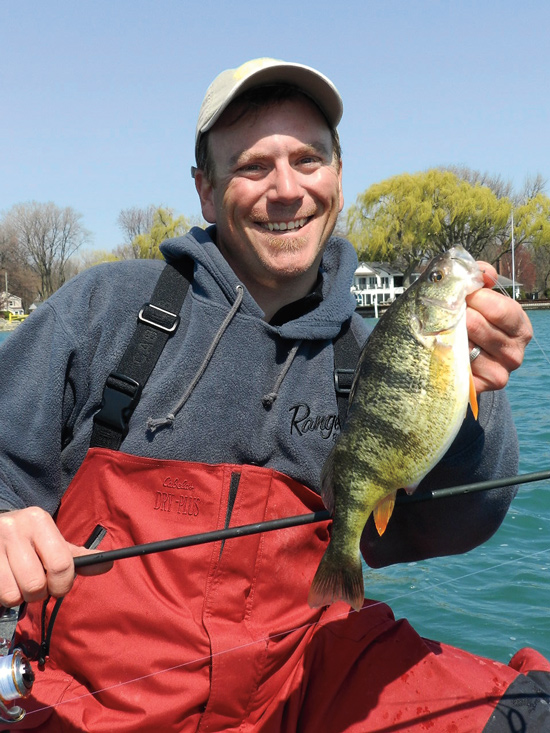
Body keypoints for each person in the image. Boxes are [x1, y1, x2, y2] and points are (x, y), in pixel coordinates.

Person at [0, 57, 546, 732]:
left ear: (339, 180)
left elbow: (462, 521)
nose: (286, 189)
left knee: (526, 712)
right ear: (206, 191)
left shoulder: (374, 350)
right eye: (255, 165)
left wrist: (472, 393)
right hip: (93, 692)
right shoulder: (109, 309)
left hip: (311, 679)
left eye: (309, 159)